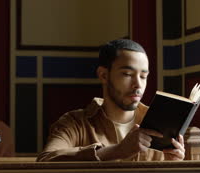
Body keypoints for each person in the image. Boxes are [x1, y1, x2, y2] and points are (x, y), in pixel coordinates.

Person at [37, 39, 185, 162]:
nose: (138, 85)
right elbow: (45, 160)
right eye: (127, 74)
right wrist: (118, 151)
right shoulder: (74, 123)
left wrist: (174, 165)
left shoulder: (160, 124)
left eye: (143, 76)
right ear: (103, 75)